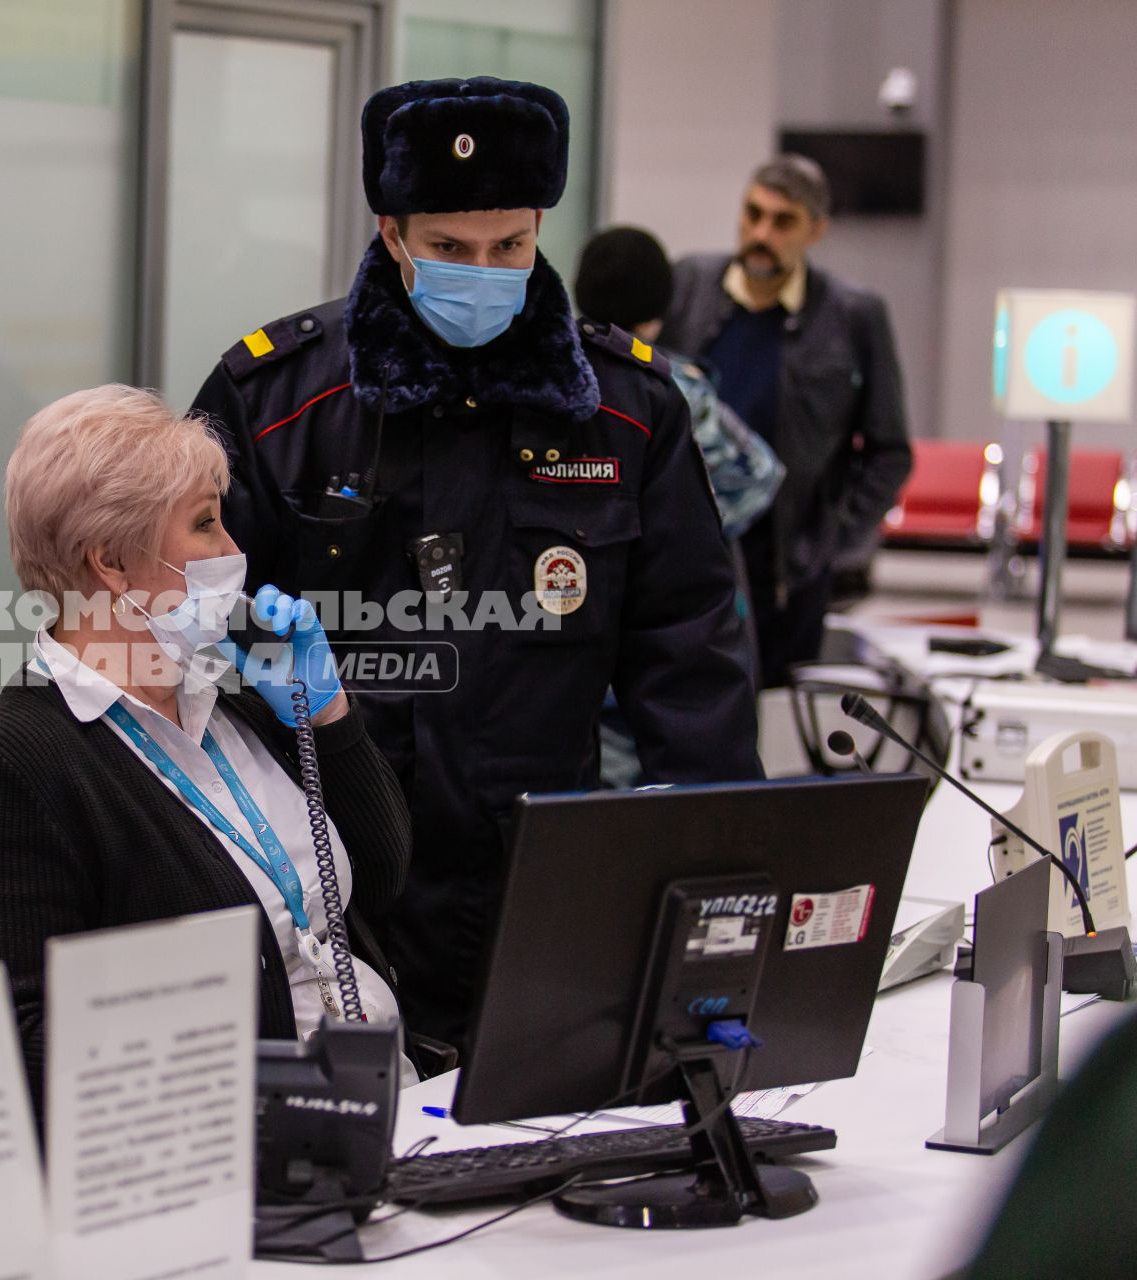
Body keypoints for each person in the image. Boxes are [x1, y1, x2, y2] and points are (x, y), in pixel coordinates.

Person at [190, 78, 760, 1048]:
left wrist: (720, 912)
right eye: (451, 249)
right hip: (332, 889)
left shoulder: (624, 411)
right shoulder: (281, 398)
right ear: (393, 230)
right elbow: (193, 632)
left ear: (542, 226)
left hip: (544, 884)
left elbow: (692, 669)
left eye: (510, 247)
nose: (483, 271)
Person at [0, 384, 415, 1119]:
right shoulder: (8, 776)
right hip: (236, 1164)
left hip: (382, 1114)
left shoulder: (230, 702)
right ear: (111, 563)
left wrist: (325, 713)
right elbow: (5, 1054)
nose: (235, 552)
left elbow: (384, 872)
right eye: (205, 526)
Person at [662, 155, 913, 687]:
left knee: (767, 736)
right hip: (684, 555)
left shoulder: (852, 315)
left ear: (816, 230)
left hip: (786, 574)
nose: (760, 233)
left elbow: (890, 450)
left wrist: (834, 544)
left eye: (782, 222)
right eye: (753, 214)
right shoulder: (689, 286)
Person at [574, 224, 785, 710]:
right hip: (669, 637)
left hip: (569, 637)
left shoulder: (550, 384)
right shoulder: (671, 390)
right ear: (658, 311)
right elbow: (761, 475)